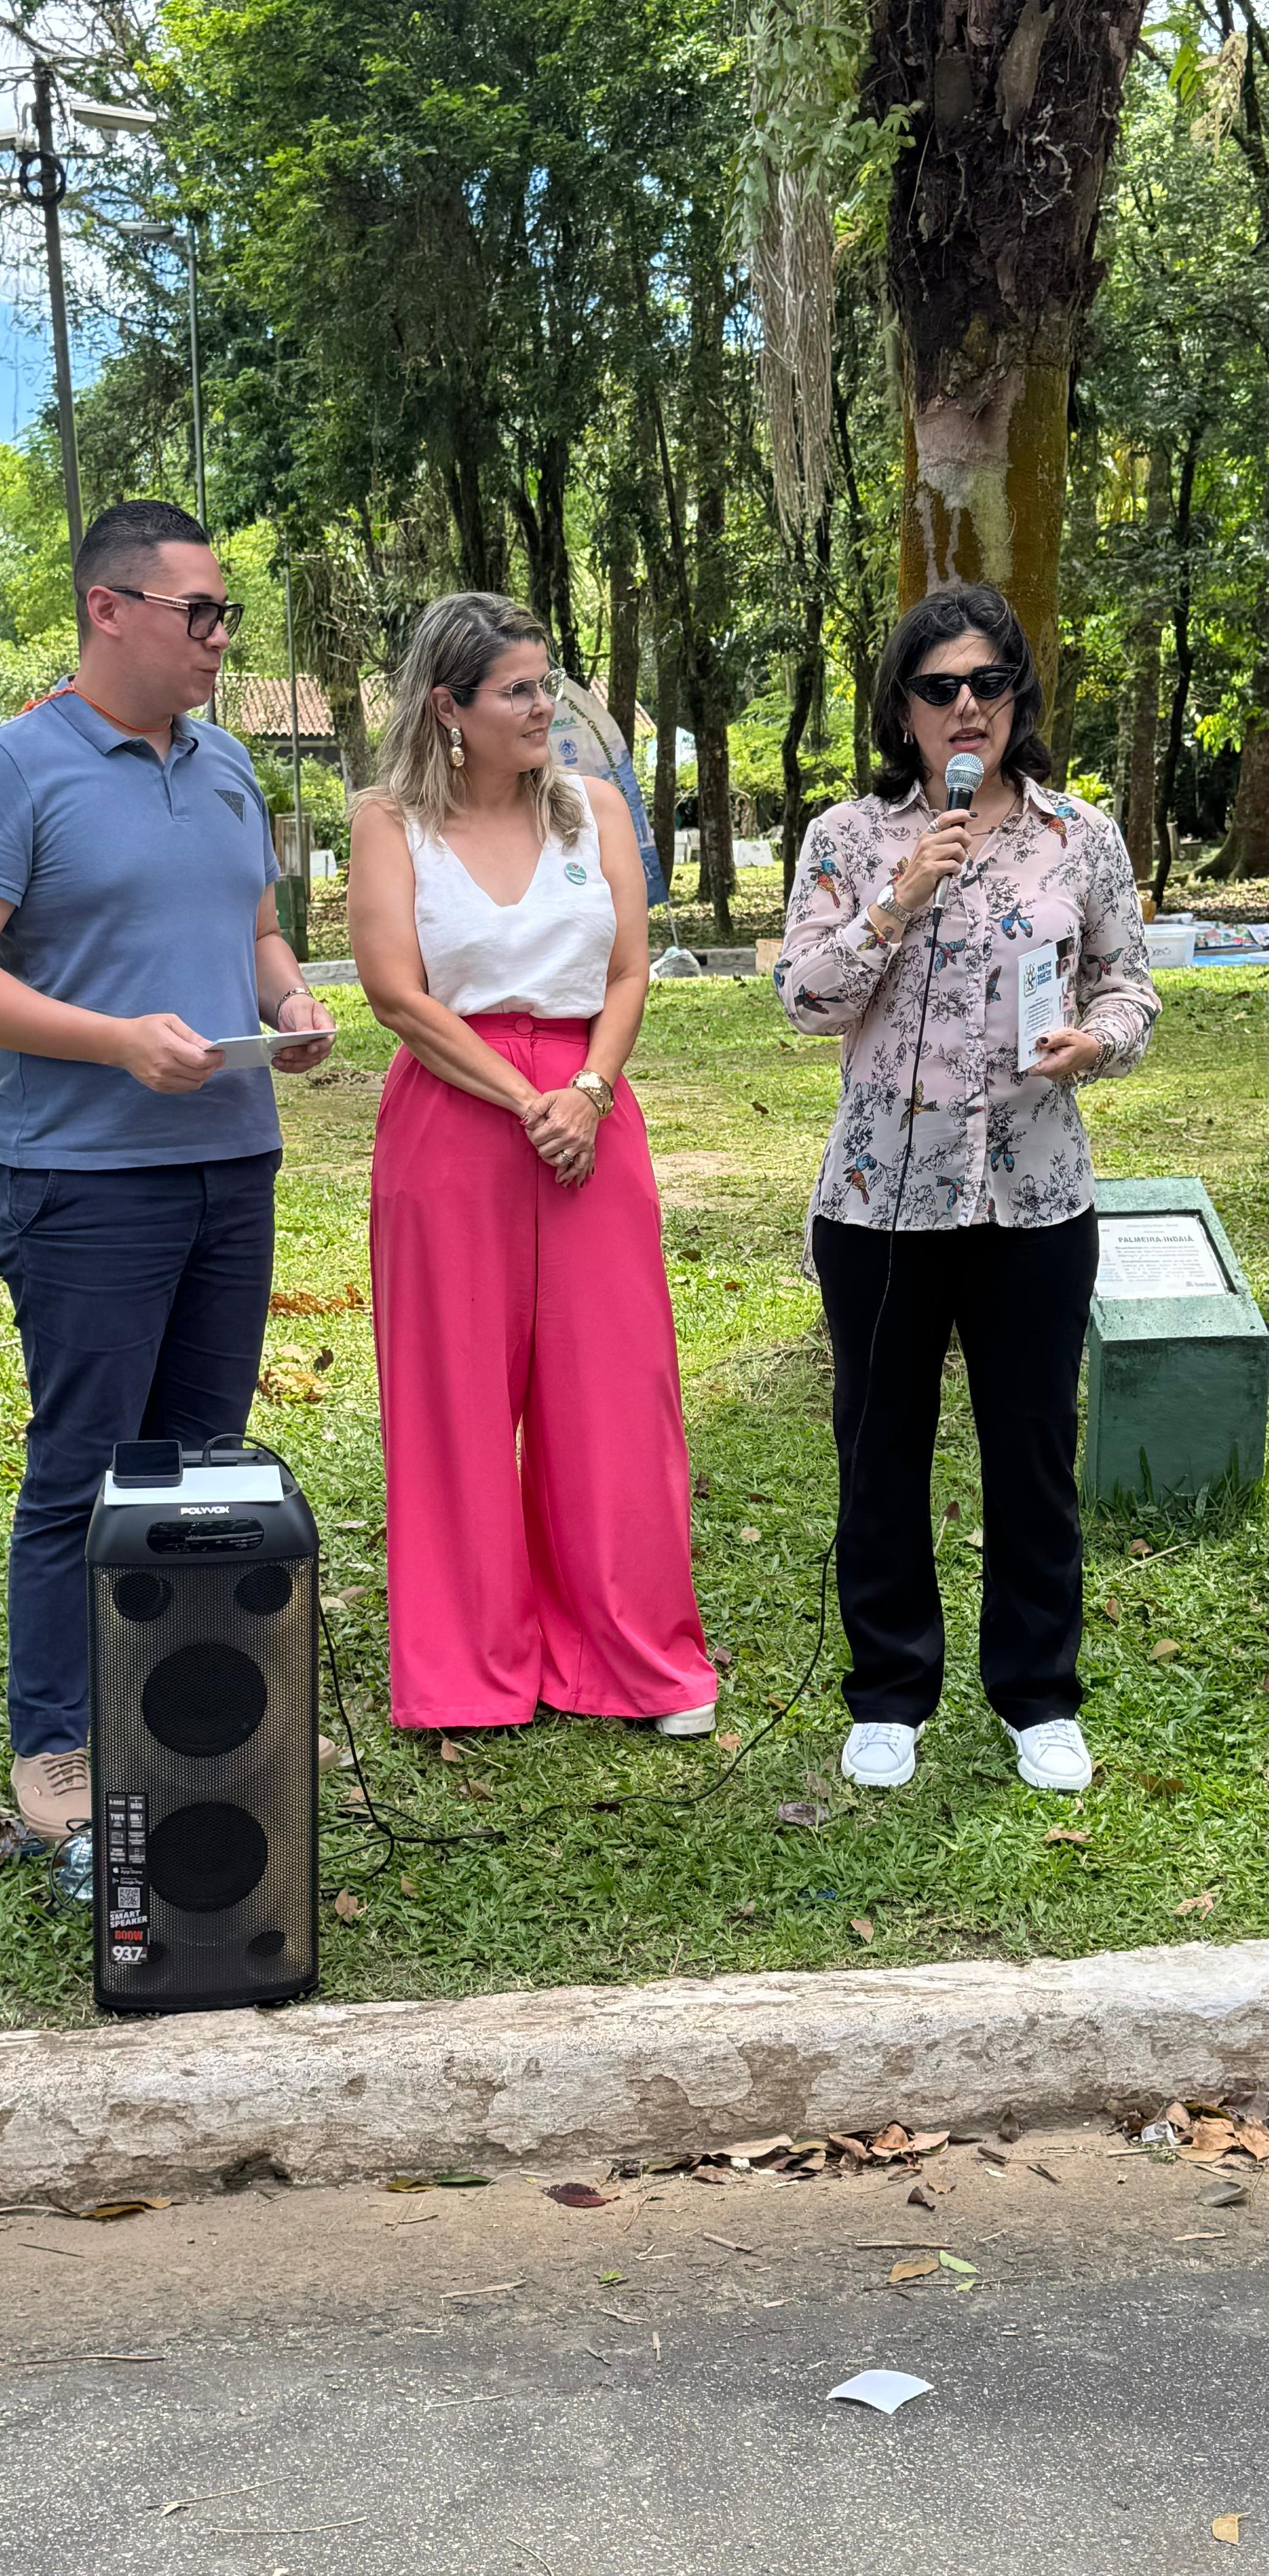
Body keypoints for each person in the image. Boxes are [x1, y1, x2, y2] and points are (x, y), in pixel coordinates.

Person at [0, 499, 337, 1842]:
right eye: (198, 612)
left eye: (225, 615)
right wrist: (114, 1040)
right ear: (109, 608)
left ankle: (192, 1710)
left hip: (232, 1162)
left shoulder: (226, 766)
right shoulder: (11, 768)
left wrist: (287, 1001)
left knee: (203, 1466)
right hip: (86, 1180)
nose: (220, 638)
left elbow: (254, 929)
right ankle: (56, 1738)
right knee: (84, 1466)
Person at [776, 582, 1159, 1795]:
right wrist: (900, 900)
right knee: (881, 1447)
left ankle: (1038, 1696)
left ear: (1018, 699)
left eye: (989, 683)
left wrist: (1099, 1041)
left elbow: (1129, 985)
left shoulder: (1079, 838)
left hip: (1034, 1197)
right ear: (903, 709)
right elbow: (804, 999)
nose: (967, 707)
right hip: (880, 1203)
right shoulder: (849, 838)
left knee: (1033, 1447)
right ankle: (890, 1693)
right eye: (940, 687)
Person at [347, 591, 716, 1738]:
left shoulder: (594, 811)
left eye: (545, 683)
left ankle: (635, 1660)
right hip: (455, 1112)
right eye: (517, 690)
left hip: (590, 1107)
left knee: (615, 1388)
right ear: (448, 707)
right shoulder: (389, 823)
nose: (543, 705)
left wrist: (589, 1093)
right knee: (454, 1393)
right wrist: (524, 1101)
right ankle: (469, 1670)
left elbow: (628, 972)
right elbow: (396, 996)